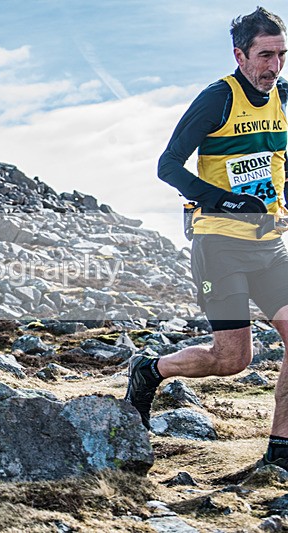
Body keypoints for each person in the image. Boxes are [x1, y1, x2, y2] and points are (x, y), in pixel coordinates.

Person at [128, 7, 288, 467]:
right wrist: (226, 201)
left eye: (281, 55)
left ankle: (280, 451)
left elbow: (278, 160)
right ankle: (150, 370)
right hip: (220, 246)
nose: (274, 66)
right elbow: (168, 166)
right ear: (240, 55)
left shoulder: (284, 98)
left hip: (271, 246)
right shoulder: (218, 99)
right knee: (232, 359)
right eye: (265, 55)